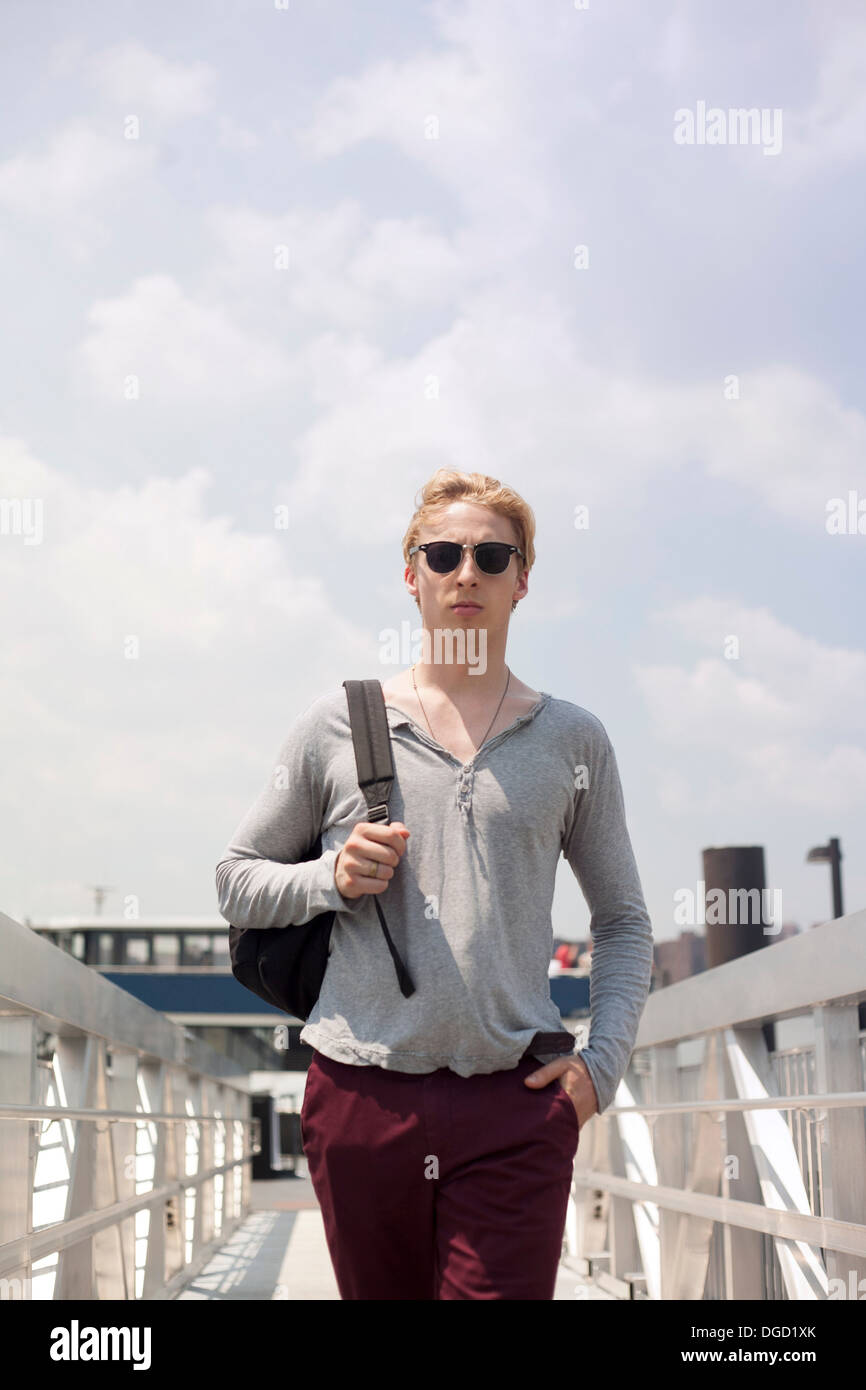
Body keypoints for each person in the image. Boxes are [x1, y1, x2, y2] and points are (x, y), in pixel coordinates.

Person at [215, 468, 654, 1300]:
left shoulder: (573, 740)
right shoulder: (334, 725)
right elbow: (235, 880)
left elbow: (625, 922)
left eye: (492, 556)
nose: (467, 573)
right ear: (409, 571)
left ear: (522, 581)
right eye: (444, 552)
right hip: (360, 1096)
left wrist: (602, 1068)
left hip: (516, 1105)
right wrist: (330, 878)